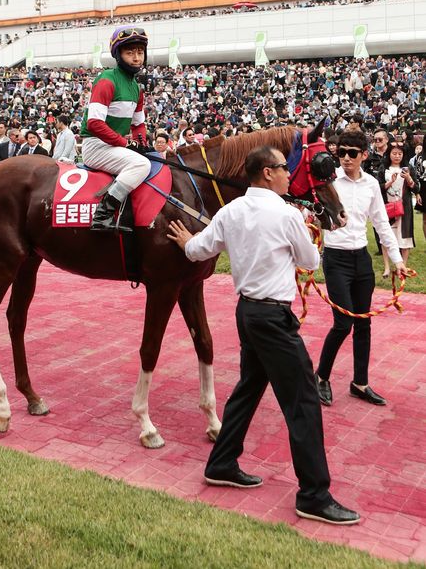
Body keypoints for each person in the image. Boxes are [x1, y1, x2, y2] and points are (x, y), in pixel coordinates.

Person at [167, 145, 360, 525]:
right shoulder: (286, 214)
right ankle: (314, 494)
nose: (290, 173)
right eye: (283, 168)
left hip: (248, 313)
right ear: (267, 173)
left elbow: (198, 249)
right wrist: (307, 232)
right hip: (272, 317)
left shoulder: (231, 211)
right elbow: (311, 261)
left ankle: (222, 463)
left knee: (249, 387)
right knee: (303, 400)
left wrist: (183, 240)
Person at [315, 129, 408, 409]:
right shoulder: (328, 184)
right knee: (343, 323)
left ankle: (360, 383)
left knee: (363, 324)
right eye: (341, 152)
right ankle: (321, 377)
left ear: (364, 155)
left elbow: (381, 224)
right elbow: (316, 217)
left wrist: (397, 260)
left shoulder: (370, 185)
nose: (345, 158)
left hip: (361, 260)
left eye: (352, 153)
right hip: (335, 259)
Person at [80, 26, 150, 232]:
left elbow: (138, 124)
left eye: (140, 52)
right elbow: (94, 123)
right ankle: (102, 215)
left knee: (152, 158)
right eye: (130, 53)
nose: (136, 58)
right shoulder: (106, 79)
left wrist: (142, 143)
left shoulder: (137, 88)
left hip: (114, 147)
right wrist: (126, 143)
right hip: (96, 147)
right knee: (141, 166)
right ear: (118, 55)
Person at [377, 140, 418, 276]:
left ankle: (403, 267)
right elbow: (378, 188)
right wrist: (390, 182)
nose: (397, 156)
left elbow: (416, 187)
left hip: (404, 209)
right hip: (388, 207)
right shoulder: (384, 168)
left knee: (405, 238)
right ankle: (387, 267)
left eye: (400, 153)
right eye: (394, 153)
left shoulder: (408, 169)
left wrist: (409, 178)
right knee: (386, 238)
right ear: (389, 154)